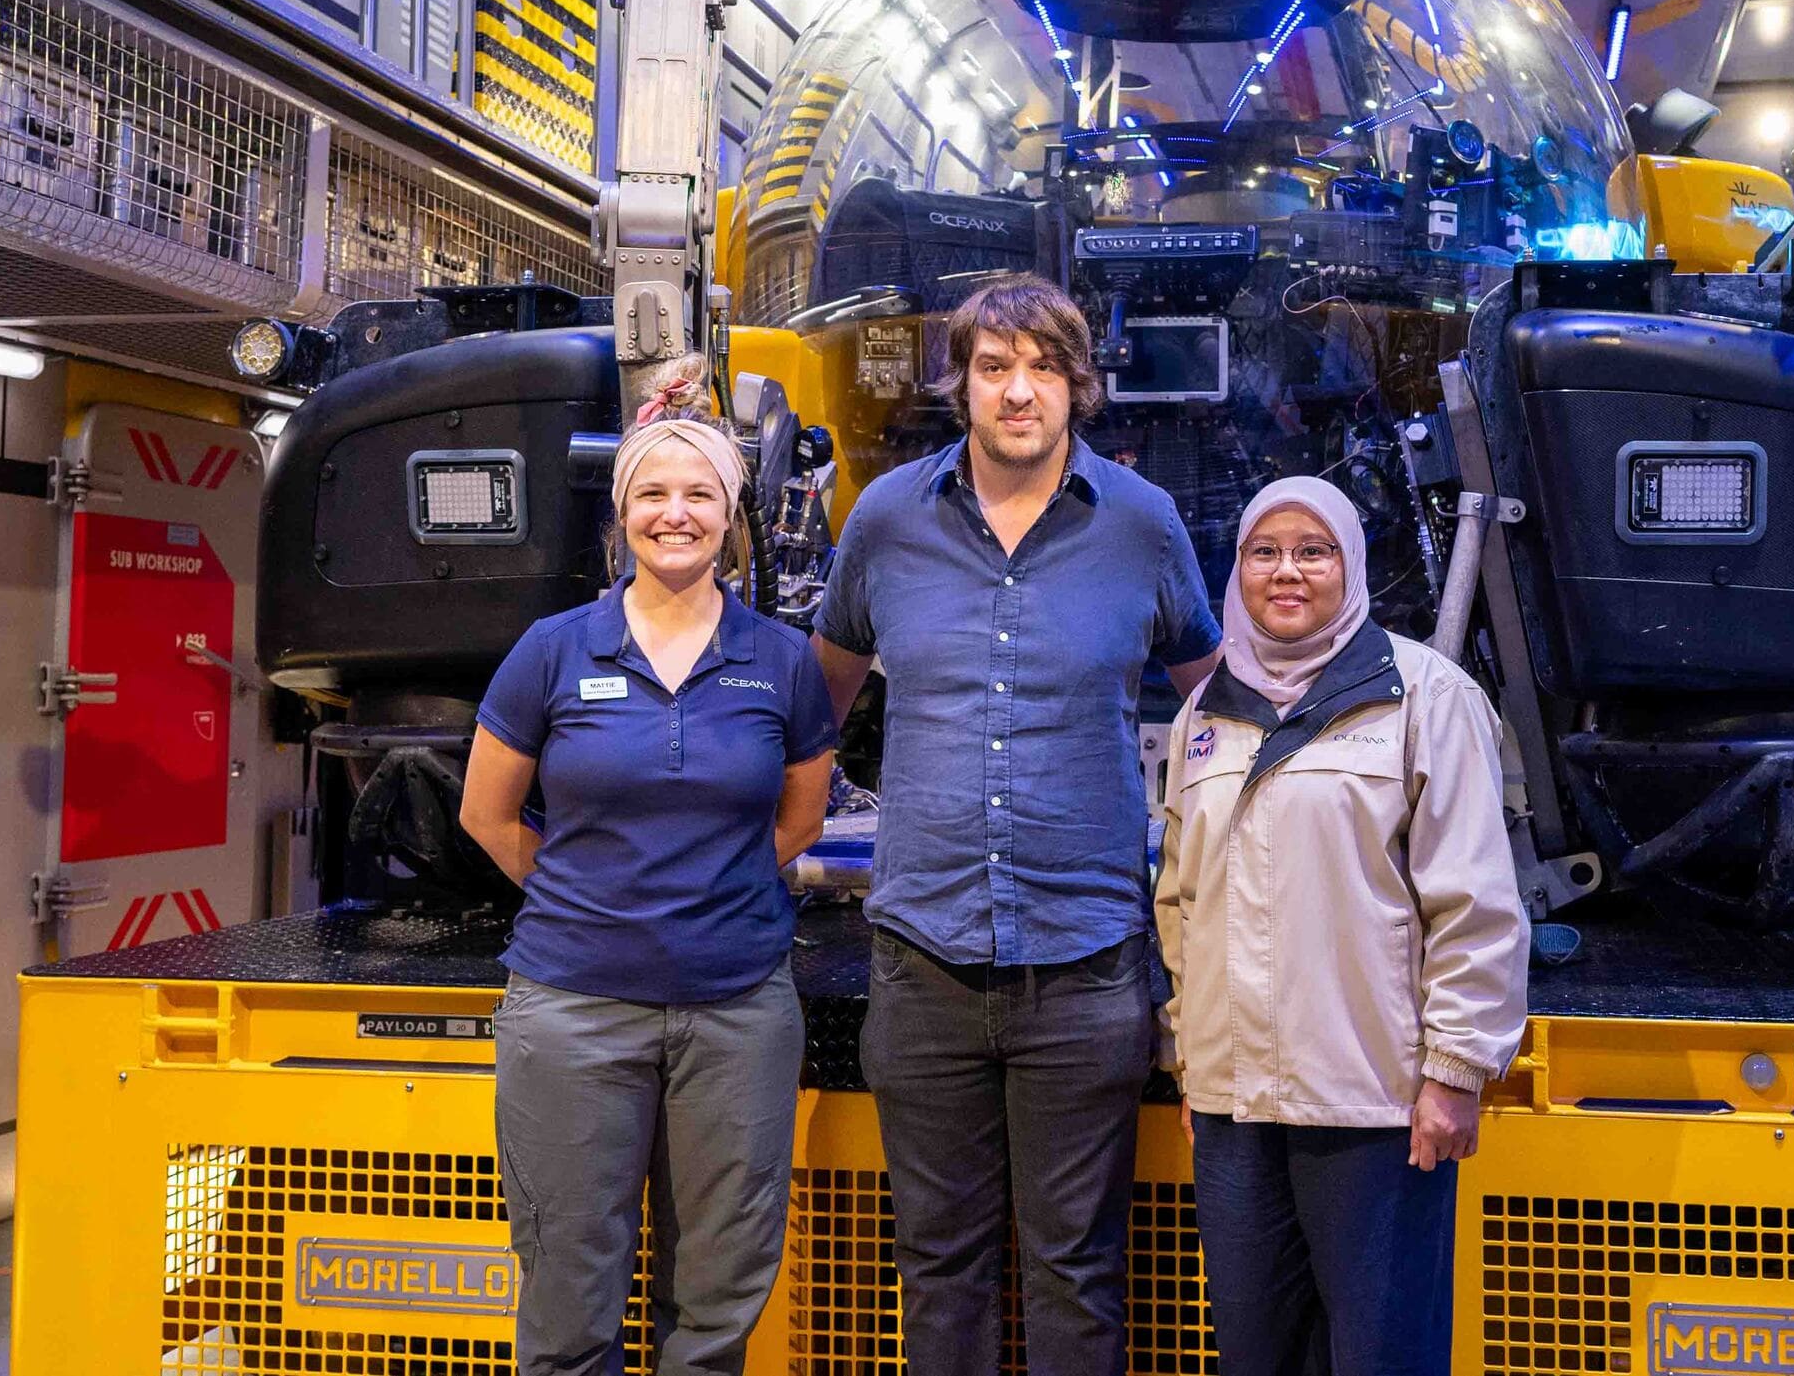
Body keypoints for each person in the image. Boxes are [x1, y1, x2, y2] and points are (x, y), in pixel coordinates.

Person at [811, 273, 1221, 1374]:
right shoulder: (889, 518)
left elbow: (1214, 703)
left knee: (1075, 1267)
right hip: (922, 960)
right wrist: (771, 848)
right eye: (995, 367)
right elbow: (820, 697)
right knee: (938, 1264)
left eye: (1044, 366)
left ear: (1078, 388)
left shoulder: (1141, 526)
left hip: (1086, 967)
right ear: (961, 385)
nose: (1019, 390)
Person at [459, 366, 837, 1376]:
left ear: (732, 514)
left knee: (717, 1292)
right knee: (569, 1283)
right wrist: (590, 895)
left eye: (700, 494)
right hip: (572, 1010)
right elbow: (487, 813)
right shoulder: (552, 650)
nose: (677, 514)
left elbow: (801, 812)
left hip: (735, 1011)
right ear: (623, 514)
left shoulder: (782, 659)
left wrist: (710, 890)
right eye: (654, 495)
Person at [1155, 474, 1528, 1376]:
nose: (1287, 572)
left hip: (1375, 1104)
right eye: (1264, 552)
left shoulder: (1424, 696)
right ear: (1237, 570)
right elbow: (1181, 903)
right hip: (1236, 1109)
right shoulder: (1204, 714)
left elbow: (1475, 902)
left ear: (1350, 564)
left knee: (1380, 1356)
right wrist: (1196, 1062)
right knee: (1256, 1355)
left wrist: (1455, 1073)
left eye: (1312, 551)